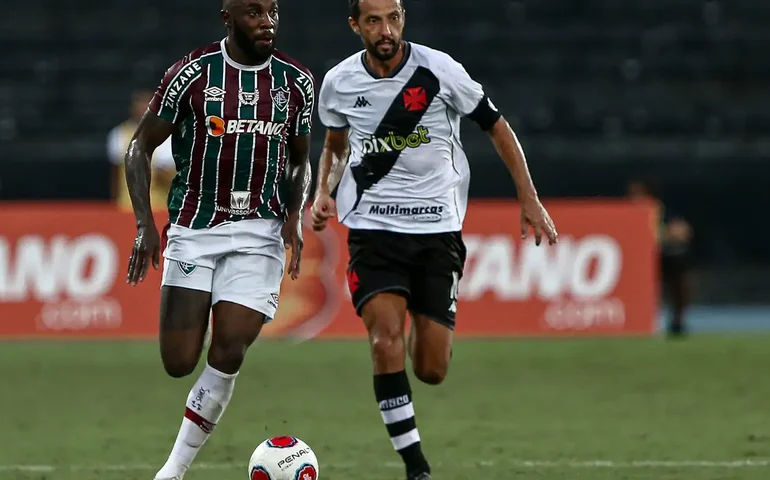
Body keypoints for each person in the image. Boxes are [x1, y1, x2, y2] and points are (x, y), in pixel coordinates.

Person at [310, 1, 558, 478]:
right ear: (355, 26)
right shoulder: (339, 82)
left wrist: (528, 197)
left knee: (431, 368)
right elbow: (335, 148)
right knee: (385, 341)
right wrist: (323, 189)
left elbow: (496, 126)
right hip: (373, 232)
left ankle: (408, 372)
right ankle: (416, 466)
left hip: (436, 234)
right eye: (374, 20)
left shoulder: (439, 70)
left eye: (394, 17)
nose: (386, 30)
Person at [123, 1, 314, 479]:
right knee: (178, 362)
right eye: (253, 13)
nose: (266, 21)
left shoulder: (296, 82)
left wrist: (295, 212)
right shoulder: (192, 74)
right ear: (227, 16)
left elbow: (299, 159)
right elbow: (139, 146)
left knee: (229, 348)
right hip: (195, 229)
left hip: (259, 232)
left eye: (272, 11)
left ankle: (172, 471)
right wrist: (146, 224)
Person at [627, 178, 693, 336]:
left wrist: (662, 235)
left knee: (678, 272)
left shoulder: (661, 211)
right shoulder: (626, 214)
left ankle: (677, 320)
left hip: (663, 257)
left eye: (637, 194)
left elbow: (683, 231)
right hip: (637, 260)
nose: (633, 199)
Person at [107, 89, 176, 211]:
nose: (143, 109)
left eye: (147, 105)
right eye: (140, 105)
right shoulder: (119, 134)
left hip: (158, 207)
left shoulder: (168, 137)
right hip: (127, 206)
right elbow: (116, 173)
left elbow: (175, 177)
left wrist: (163, 175)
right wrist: (114, 202)